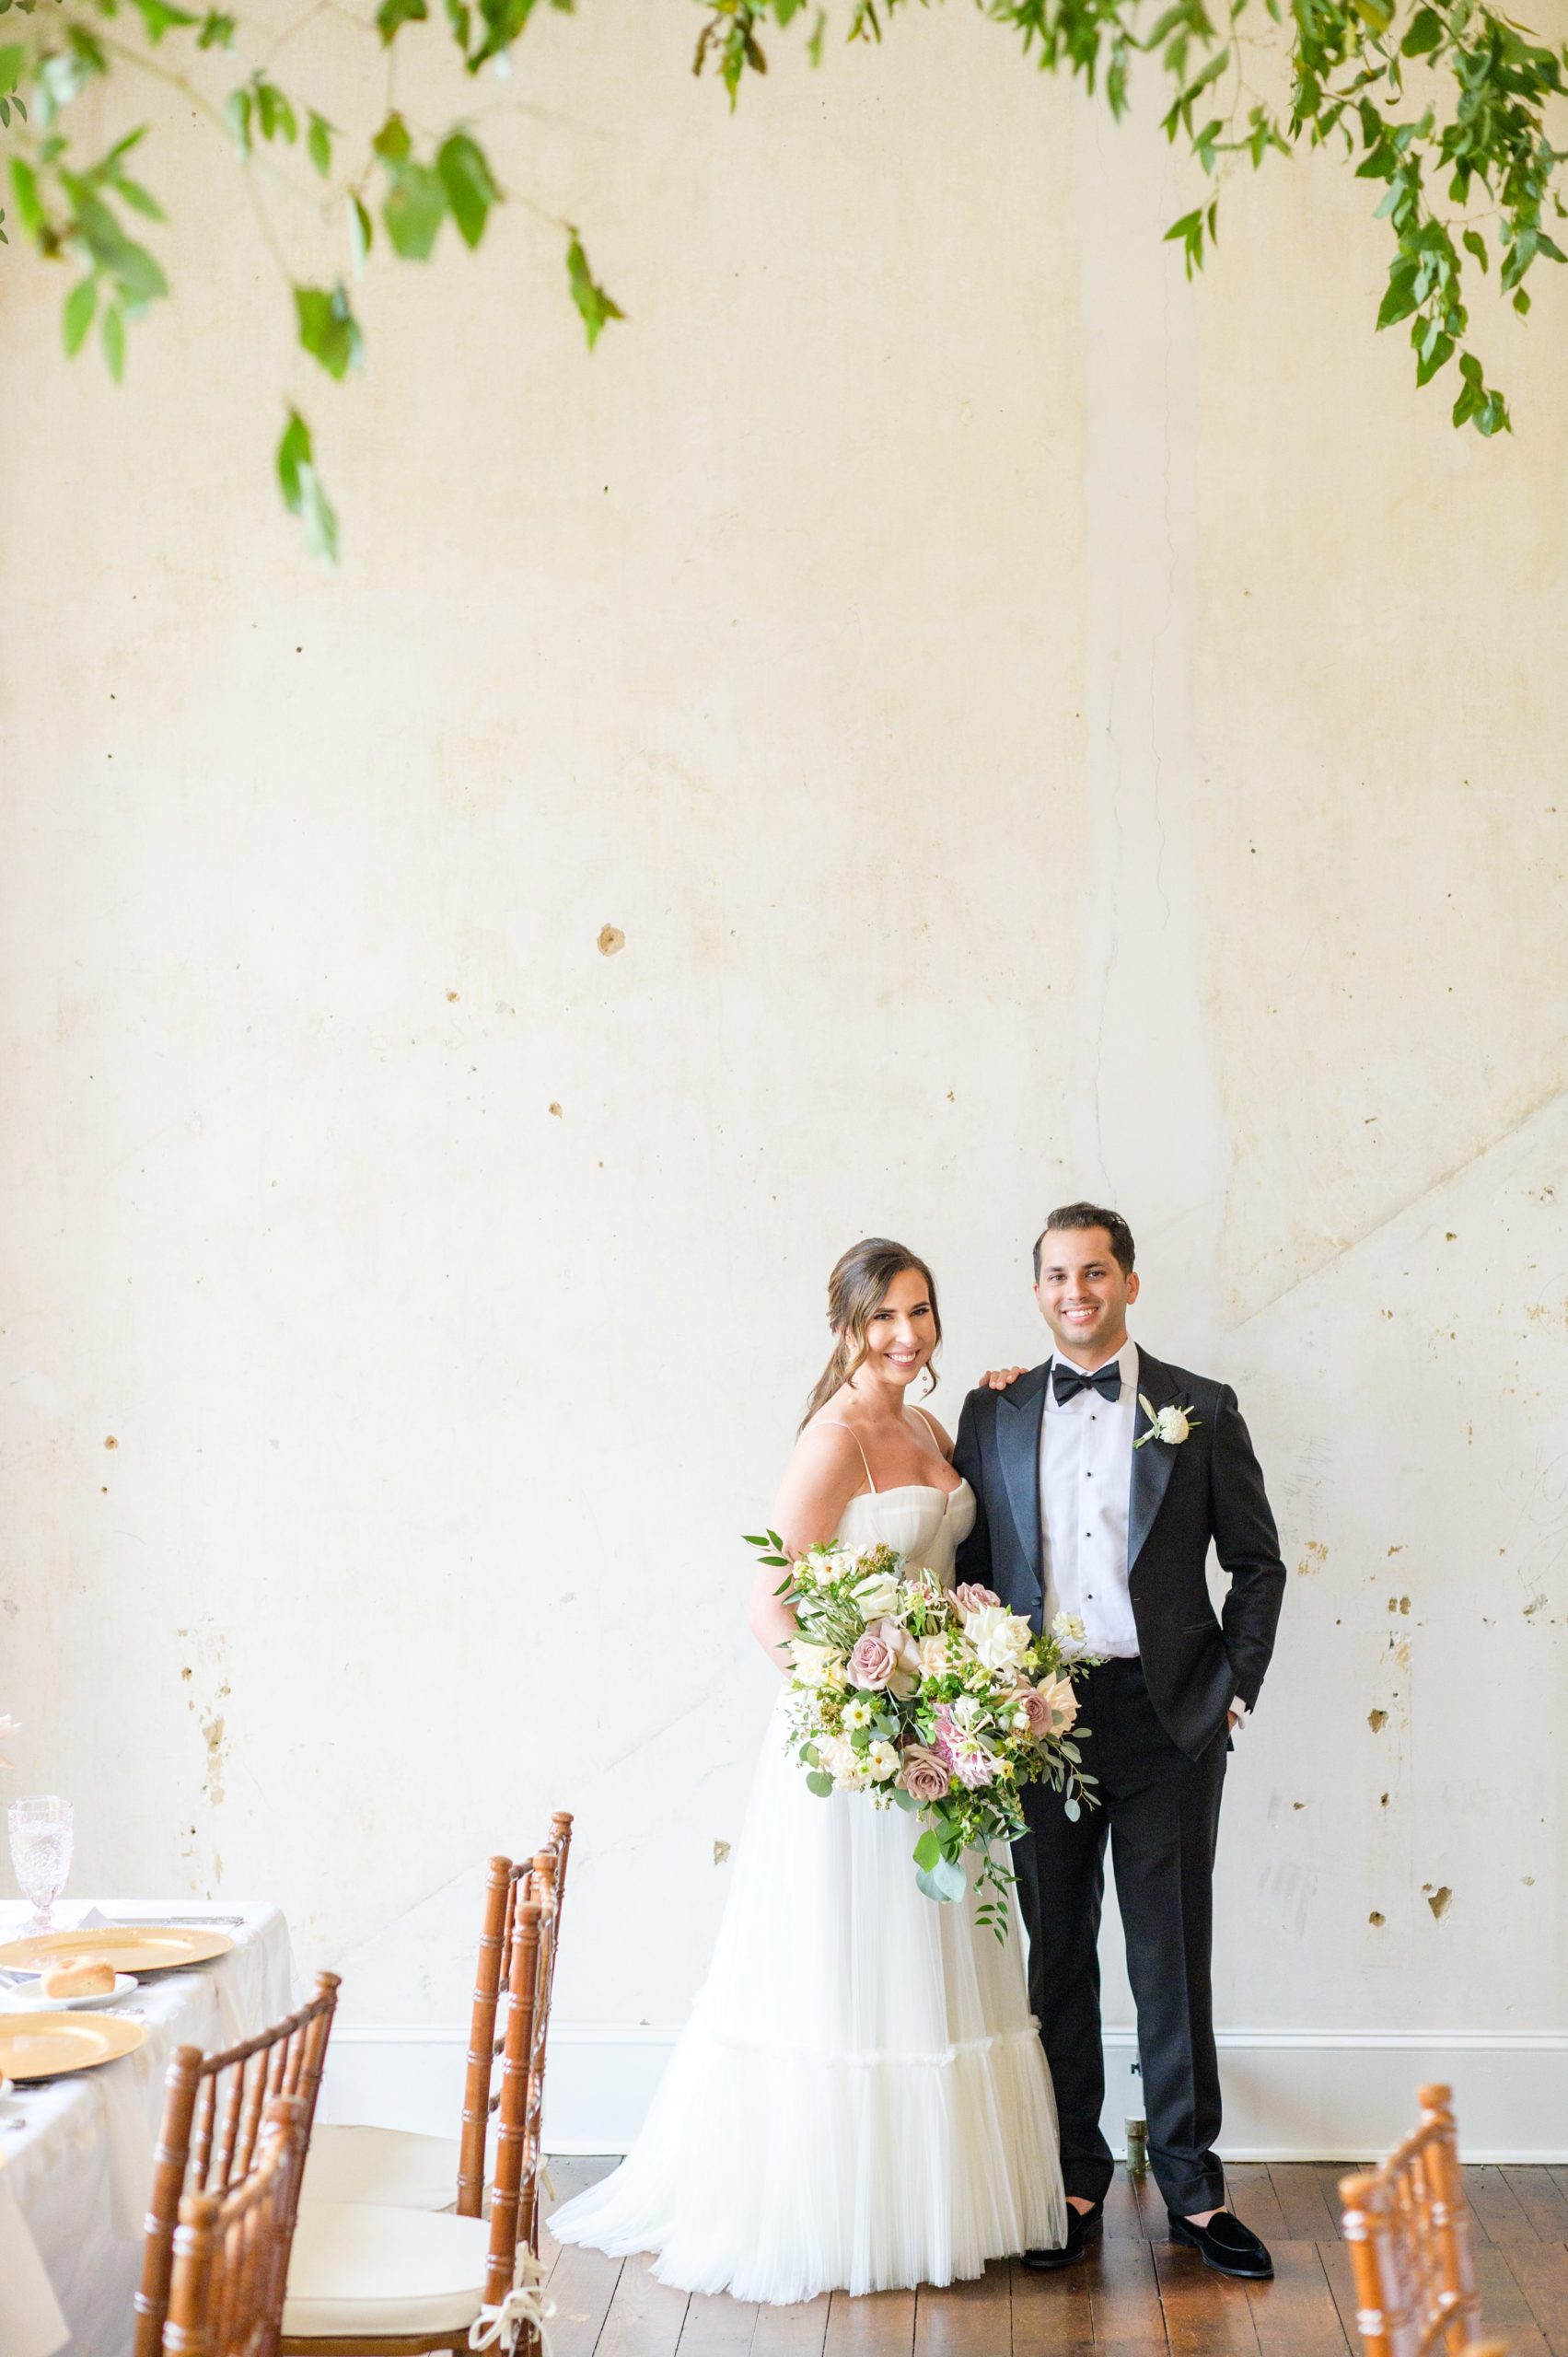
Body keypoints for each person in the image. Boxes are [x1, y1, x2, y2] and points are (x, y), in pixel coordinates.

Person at [548, 1237, 1066, 2301]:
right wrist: (852, 1709)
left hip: (943, 1736)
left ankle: (938, 2205)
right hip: (859, 1752)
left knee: (937, 1964)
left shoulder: (925, 1424)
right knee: (856, 1974)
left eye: (919, 1312)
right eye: (882, 1316)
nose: (904, 1335)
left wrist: (1009, 1400)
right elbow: (767, 1605)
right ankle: (844, 2212)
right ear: (844, 1326)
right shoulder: (833, 1439)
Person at [954, 1202, 1285, 2282]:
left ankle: (1194, 2190)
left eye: (1093, 1273)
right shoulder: (991, 1410)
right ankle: (1071, 2175)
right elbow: (964, 1565)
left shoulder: (1199, 1405)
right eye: (1054, 1276)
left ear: (1128, 1283)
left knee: (1167, 1957)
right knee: (1056, 1958)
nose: (1074, 1293)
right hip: (1034, 1718)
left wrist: (1228, 1691)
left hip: (1166, 1718)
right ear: (1037, 1290)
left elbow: (1257, 1563)